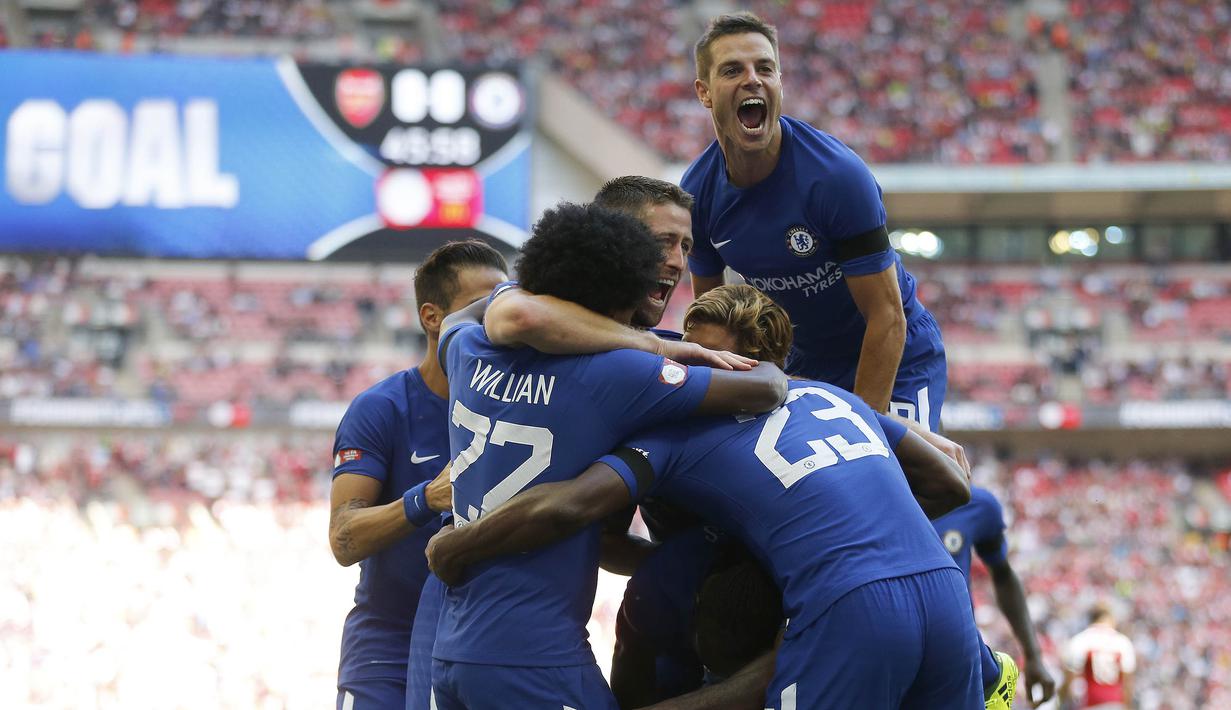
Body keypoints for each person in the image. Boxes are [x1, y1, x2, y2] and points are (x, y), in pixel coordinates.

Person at [427, 284, 982, 709]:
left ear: (752, 365)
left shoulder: (679, 431)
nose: (688, 362)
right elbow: (953, 484)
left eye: (706, 354)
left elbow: (567, 506)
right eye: (688, 348)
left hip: (847, 608)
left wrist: (456, 545)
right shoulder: (836, 398)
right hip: (947, 600)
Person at [428, 204, 788, 710]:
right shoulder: (618, 374)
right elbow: (765, 386)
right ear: (620, 302)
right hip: (535, 658)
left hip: (453, 647)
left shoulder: (464, 347)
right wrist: (654, 345)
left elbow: (497, 308)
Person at [681, 12, 947, 433]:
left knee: (885, 467)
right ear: (704, 92)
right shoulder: (697, 195)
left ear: (780, 83)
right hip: (803, 362)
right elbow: (714, 328)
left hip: (893, 352)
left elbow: (886, 316)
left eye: (765, 68)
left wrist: (863, 429)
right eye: (732, 70)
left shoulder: (837, 177)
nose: (752, 80)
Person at [328, 241, 509, 710]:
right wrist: (426, 498)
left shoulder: (522, 403)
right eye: (481, 307)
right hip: (389, 645)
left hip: (482, 642)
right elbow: (343, 538)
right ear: (432, 318)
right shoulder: (381, 408)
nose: (499, 318)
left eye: (504, 301)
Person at [933, 487, 1056, 706]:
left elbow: (1003, 576)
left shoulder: (976, 504)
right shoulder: (884, 496)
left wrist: (1033, 654)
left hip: (957, 656)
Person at [1059, 604, 1136, 709]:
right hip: (1115, 703)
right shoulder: (1122, 642)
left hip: (1089, 703)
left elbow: (1070, 678)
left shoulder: (1080, 640)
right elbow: (1127, 682)